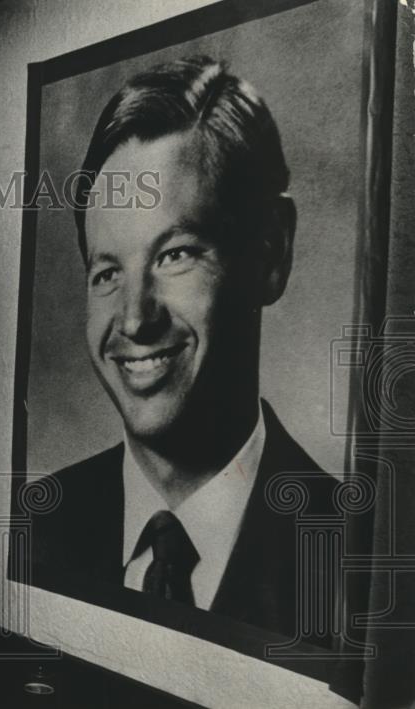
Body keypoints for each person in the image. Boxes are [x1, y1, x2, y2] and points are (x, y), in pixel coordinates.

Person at [20, 56, 340, 641]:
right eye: (107, 272)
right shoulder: (29, 528)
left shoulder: (361, 563)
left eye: (175, 254)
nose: (135, 318)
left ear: (270, 253)